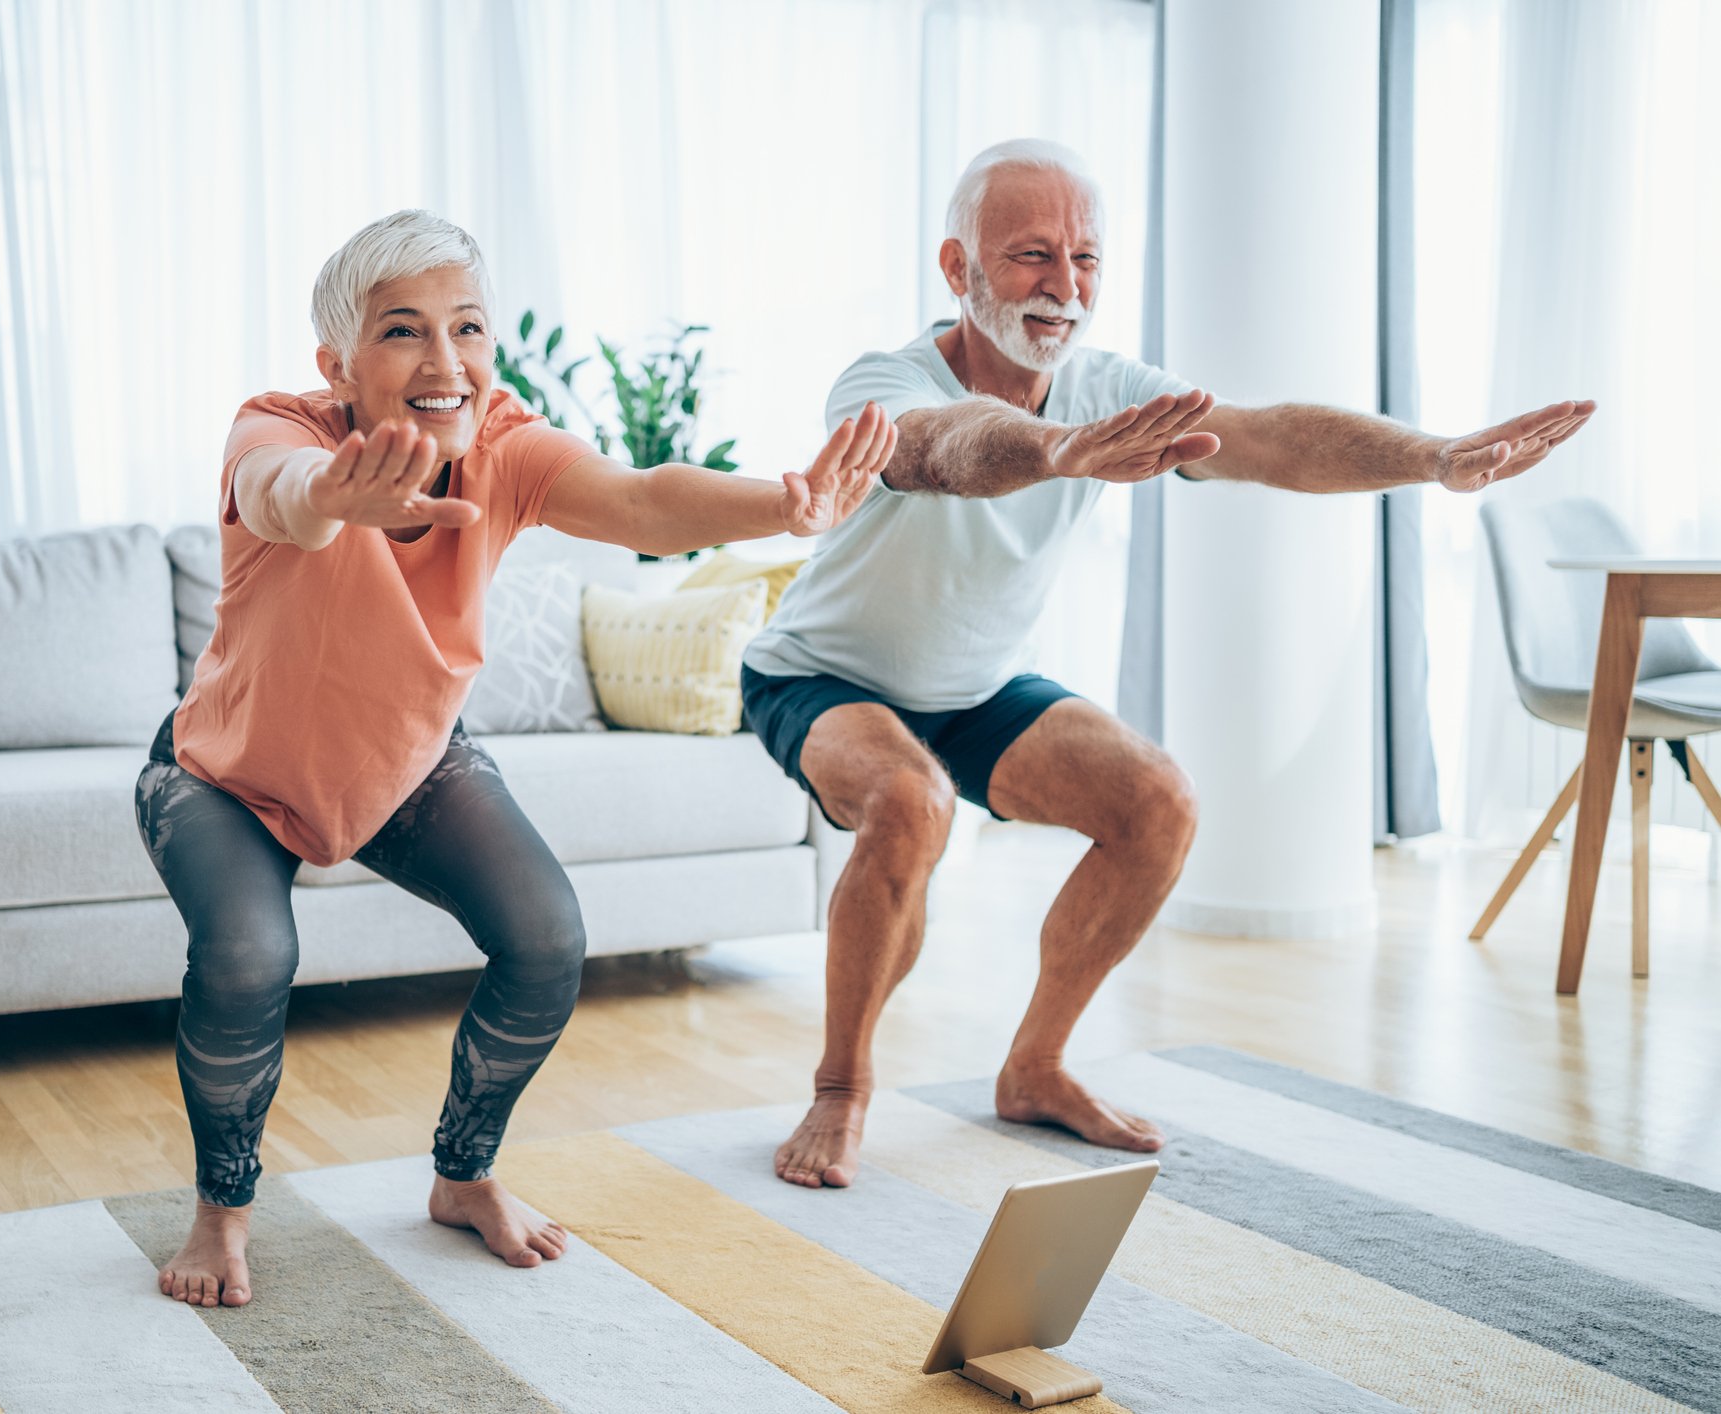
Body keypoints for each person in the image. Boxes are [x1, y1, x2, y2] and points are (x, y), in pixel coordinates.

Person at [741, 138, 1594, 1189]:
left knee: (1159, 803)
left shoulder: (1107, 386)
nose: (1065, 287)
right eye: (1030, 256)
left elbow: (1268, 437)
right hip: (822, 675)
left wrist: (1436, 458)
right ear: (957, 269)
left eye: (1086, 258)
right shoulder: (884, 381)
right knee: (912, 802)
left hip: (976, 685)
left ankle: (1037, 1066)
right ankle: (841, 1090)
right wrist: (1053, 450)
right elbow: (939, 449)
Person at [134, 208, 895, 1306]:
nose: (446, 362)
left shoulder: (501, 445)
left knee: (547, 940)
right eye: (404, 332)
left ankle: (464, 1175)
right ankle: (223, 1213)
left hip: (402, 759)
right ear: (337, 364)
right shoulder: (279, 427)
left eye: (468, 328)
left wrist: (786, 504)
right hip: (224, 773)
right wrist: (332, 498)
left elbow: (640, 499)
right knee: (248, 956)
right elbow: (277, 497)